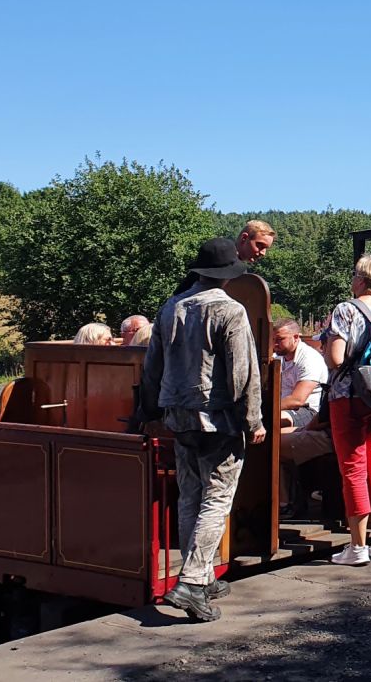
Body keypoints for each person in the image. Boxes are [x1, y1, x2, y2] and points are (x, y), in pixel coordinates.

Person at [139, 238, 266, 622]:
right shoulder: (231, 311)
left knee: (190, 494)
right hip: (218, 418)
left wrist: (149, 410)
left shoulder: (170, 308)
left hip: (178, 415)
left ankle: (203, 575)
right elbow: (244, 373)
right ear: (228, 276)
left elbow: (152, 367)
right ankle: (193, 582)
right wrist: (253, 420)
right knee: (217, 498)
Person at [321, 254, 371, 566]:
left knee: (353, 468)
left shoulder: (346, 309)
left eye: (354, 274)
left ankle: (357, 548)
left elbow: (337, 359)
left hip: (349, 396)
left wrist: (327, 348)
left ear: (361, 280)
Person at [274, 319, 326, 432]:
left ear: (296, 337)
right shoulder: (277, 357)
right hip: (282, 407)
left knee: (272, 420)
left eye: (280, 339)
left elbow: (297, 400)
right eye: (273, 340)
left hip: (308, 410)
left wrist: (264, 409)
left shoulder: (310, 359)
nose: (275, 344)